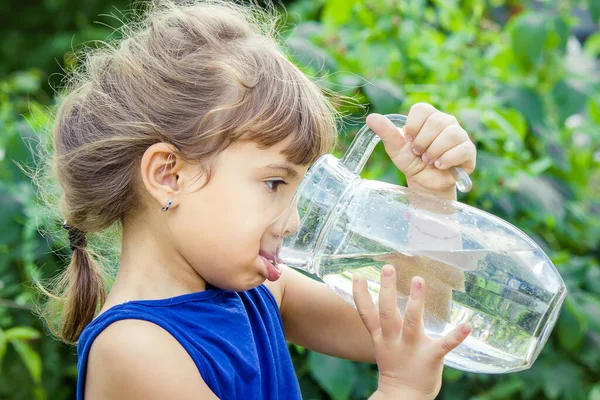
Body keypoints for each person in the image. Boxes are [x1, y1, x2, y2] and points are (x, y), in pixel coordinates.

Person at [38, 0, 477, 398]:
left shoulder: (263, 291)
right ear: (168, 176)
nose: (292, 222)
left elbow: (420, 325)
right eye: (274, 184)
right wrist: (400, 393)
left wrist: (432, 196)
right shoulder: (135, 349)